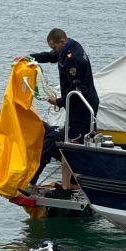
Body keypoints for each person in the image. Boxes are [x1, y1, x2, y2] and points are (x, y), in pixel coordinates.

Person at [28, 28, 100, 190]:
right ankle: (70, 183)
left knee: (68, 144)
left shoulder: (74, 59)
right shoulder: (68, 48)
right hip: (77, 107)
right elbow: (51, 56)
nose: (54, 50)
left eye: (54, 47)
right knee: (69, 144)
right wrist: (29, 58)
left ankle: (64, 185)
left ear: (62, 41)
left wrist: (58, 102)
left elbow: (79, 92)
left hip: (82, 108)